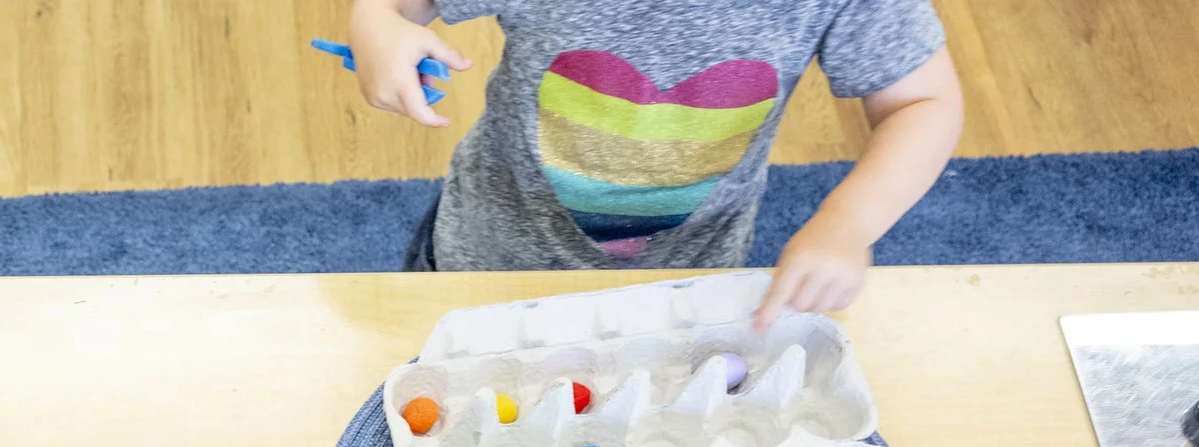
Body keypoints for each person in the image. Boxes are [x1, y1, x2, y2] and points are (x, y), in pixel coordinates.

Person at [344, 0, 964, 325]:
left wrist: (849, 225)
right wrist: (377, 21)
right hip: (486, 265)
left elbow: (924, 102)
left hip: (687, 288)